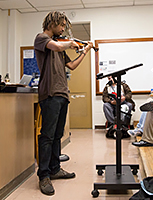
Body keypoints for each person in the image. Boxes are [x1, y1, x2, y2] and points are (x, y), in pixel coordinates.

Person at [34, 11, 93, 195]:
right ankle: (43, 175)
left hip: (62, 94)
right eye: (61, 26)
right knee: (47, 136)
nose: (62, 29)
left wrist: (84, 51)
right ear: (53, 23)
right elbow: (58, 47)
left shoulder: (59, 45)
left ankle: (55, 169)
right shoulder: (42, 39)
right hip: (49, 93)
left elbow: (72, 66)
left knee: (58, 135)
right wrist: (73, 43)